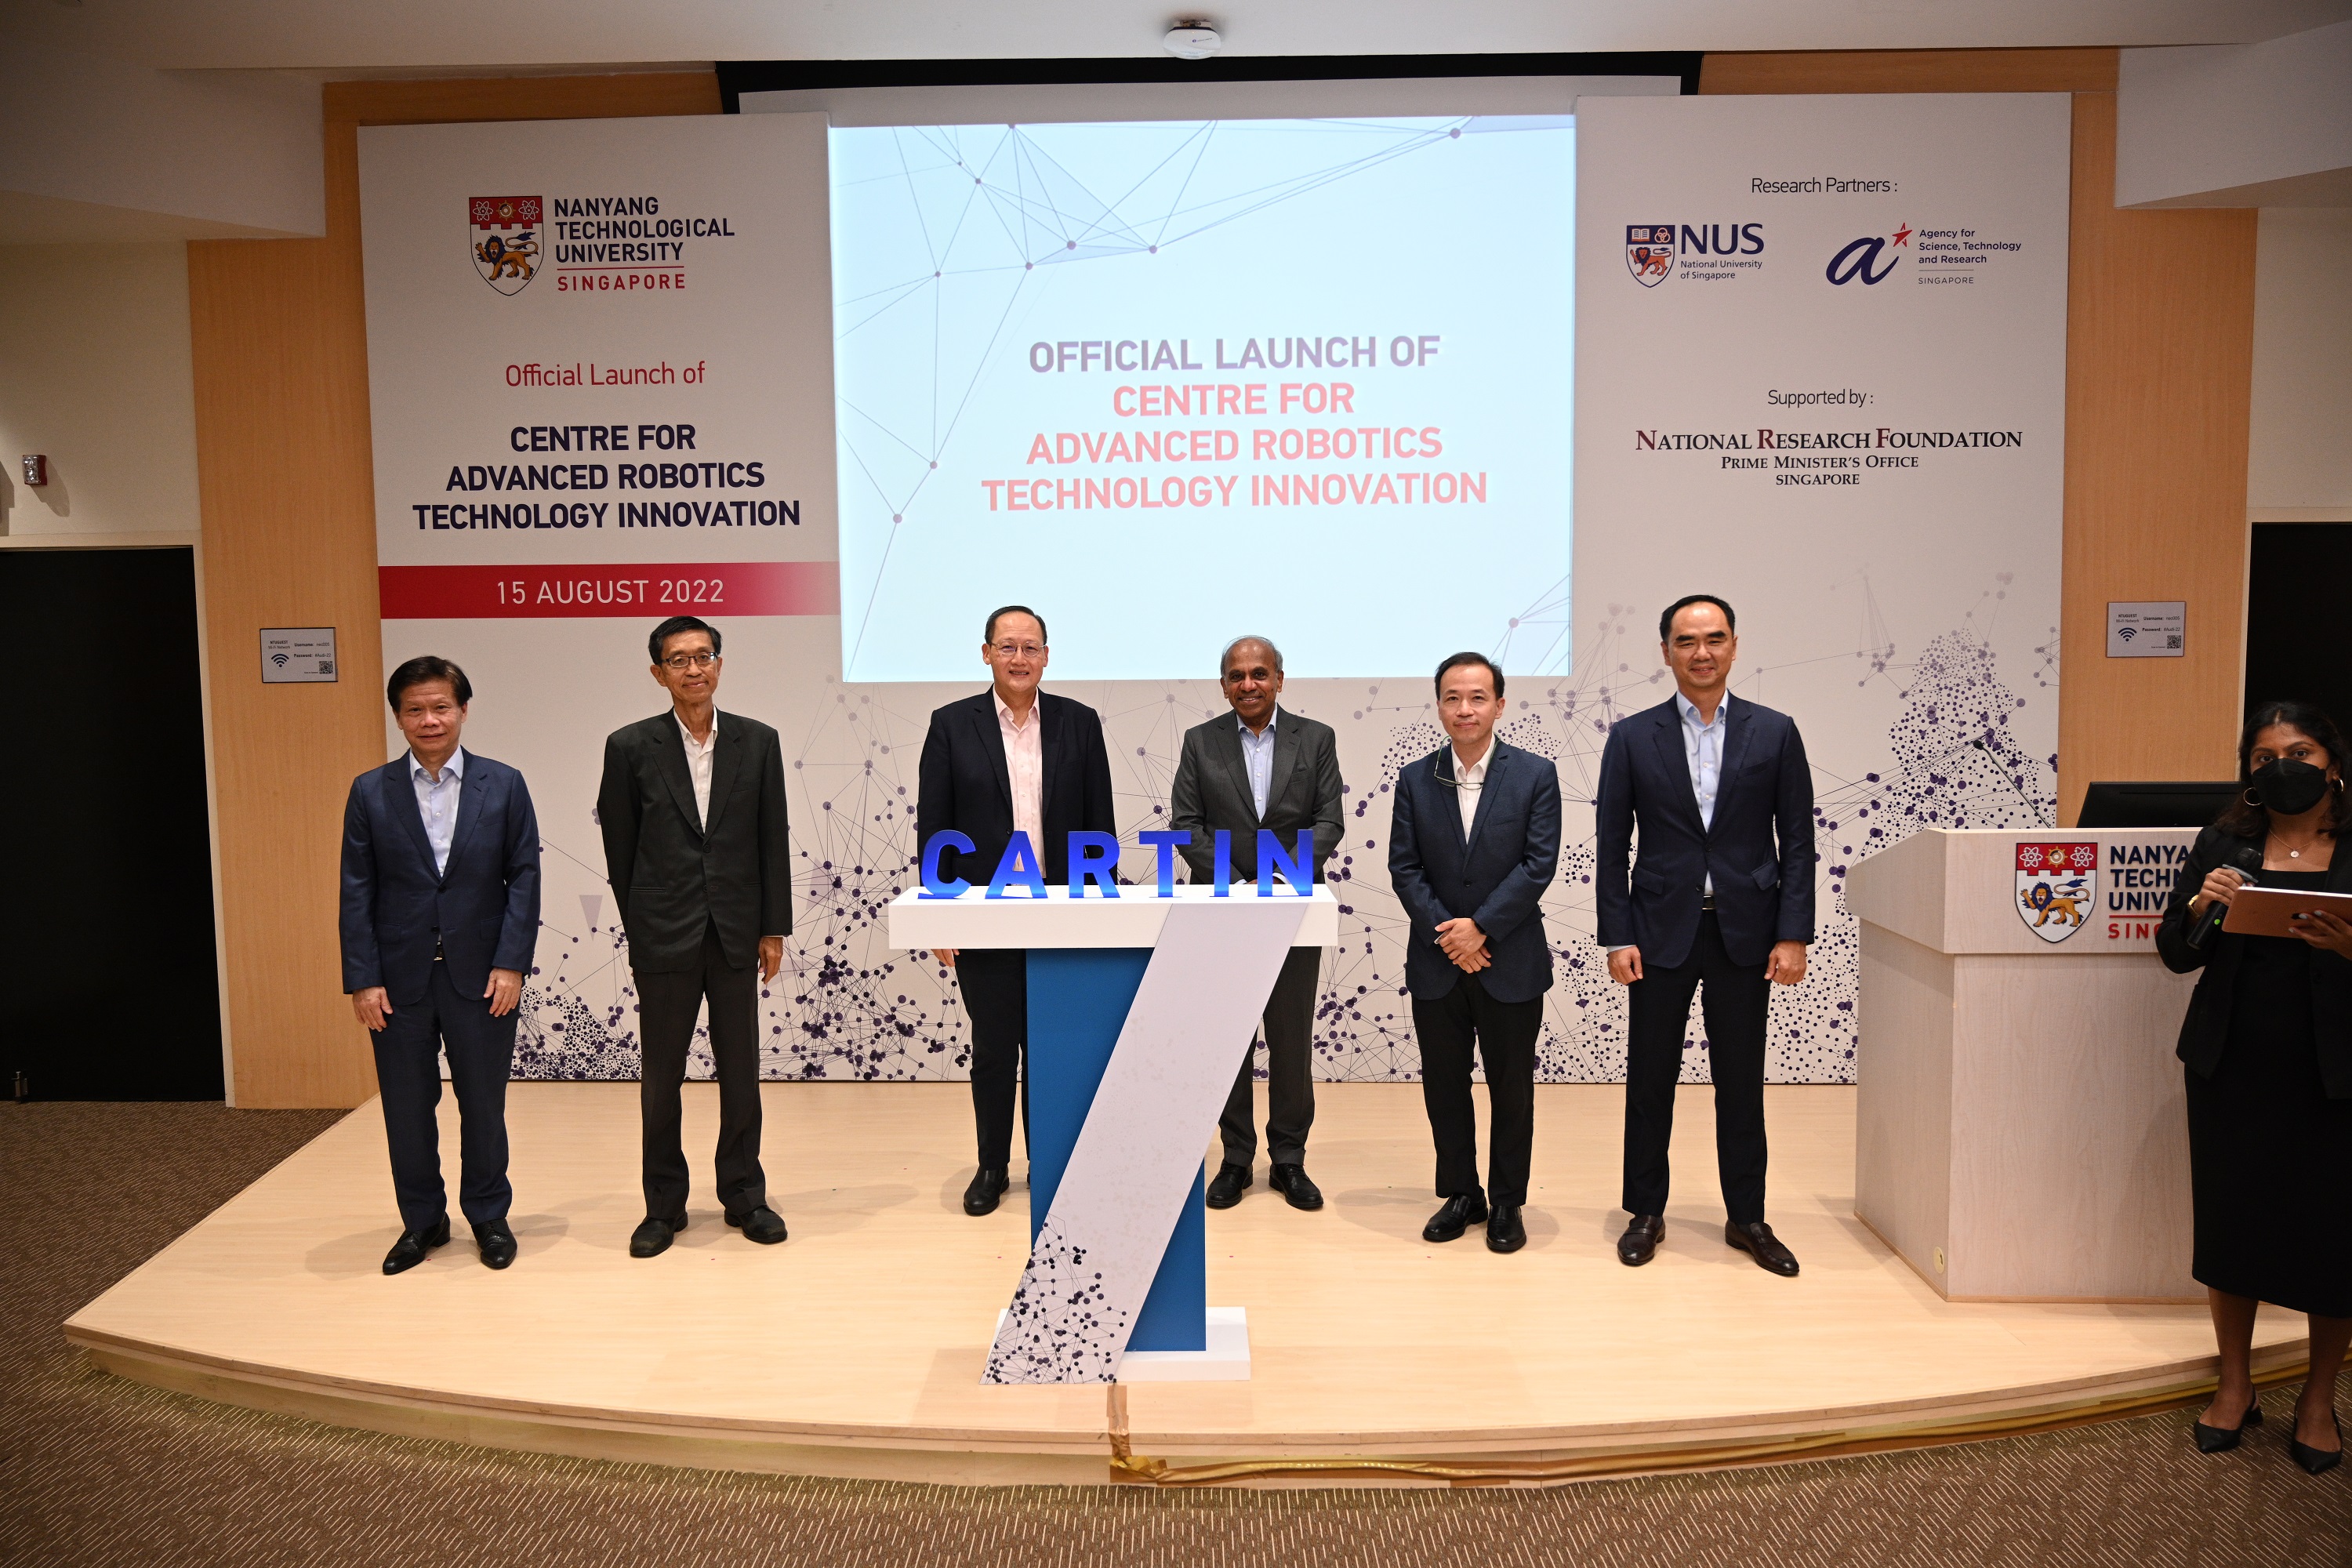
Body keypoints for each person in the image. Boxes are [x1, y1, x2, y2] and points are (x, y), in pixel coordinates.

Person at [2158, 699, 2352, 1474]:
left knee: (2334, 1239)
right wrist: (2204, 906)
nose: (2283, 768)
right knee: (2232, 1228)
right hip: (2232, 1065)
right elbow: (2178, 952)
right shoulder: (2224, 841)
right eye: (2265, 758)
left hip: (2336, 1073)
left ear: (2333, 764)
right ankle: (2235, 1384)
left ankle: (2318, 1397)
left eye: (2299, 753)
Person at [1595, 594, 1815, 1277]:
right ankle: (1645, 1211)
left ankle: (1748, 1217)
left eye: (1714, 638)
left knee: (1741, 1084)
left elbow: (1798, 843)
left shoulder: (1775, 732)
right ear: (1666, 651)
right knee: (1650, 1080)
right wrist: (1616, 935)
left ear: (1734, 647)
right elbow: (1611, 845)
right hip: (1658, 932)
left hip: (1746, 934)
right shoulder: (1633, 737)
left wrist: (1793, 933)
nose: (1702, 652)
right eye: (1686, 641)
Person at [597, 615, 793, 1259]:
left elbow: (771, 838)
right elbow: (621, 849)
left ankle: (744, 1194)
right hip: (664, 935)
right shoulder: (630, 747)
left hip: (737, 932)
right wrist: (641, 929)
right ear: (659, 673)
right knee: (662, 1078)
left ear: (719, 665)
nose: (694, 669)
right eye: (679, 660)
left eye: (704, 656)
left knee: (741, 1073)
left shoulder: (758, 741)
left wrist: (773, 927)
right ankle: (663, 1206)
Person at [339, 656, 541, 1275]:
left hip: (482, 977)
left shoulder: (503, 784)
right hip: (398, 980)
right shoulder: (370, 791)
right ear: (398, 717)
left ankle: (488, 1215)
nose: (429, 720)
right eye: (415, 709)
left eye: (441, 707)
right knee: (406, 1107)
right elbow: (356, 889)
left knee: (483, 1104)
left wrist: (511, 964)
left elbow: (524, 877)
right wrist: (363, 978)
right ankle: (422, 1220)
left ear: (463, 711)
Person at [916, 605, 1116, 1217]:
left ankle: (1049, 1164)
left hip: (1063, 916)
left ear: (1047, 657)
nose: (1019, 658)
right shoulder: (952, 725)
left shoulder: (1079, 723)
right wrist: (941, 914)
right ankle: (992, 1166)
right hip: (987, 915)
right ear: (986, 654)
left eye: (1031, 647)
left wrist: (1102, 912)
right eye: (1007, 646)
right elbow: (935, 827)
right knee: (995, 1050)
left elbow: (1100, 825)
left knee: (1055, 1049)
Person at [1388, 652, 1562, 1254]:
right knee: (1445, 1084)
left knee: (1511, 1087)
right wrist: (1451, 934)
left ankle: (1508, 1200)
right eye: (1453, 698)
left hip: (1509, 958)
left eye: (1478, 697)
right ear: (1440, 707)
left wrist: (1481, 928)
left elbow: (1538, 863)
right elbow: (1405, 867)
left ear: (1500, 705)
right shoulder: (1415, 778)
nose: (1465, 709)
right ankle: (1463, 1194)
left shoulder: (1535, 774)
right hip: (1438, 961)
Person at [1169, 636, 1346, 1212]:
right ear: (1224, 685)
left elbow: (1328, 822)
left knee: (1291, 1042)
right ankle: (1236, 1159)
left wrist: (1275, 880)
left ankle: (1289, 1159)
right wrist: (1238, 883)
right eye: (1237, 675)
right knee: (1227, 1043)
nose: (1249, 684)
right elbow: (1185, 824)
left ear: (1279, 679)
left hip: (1291, 910)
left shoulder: (1316, 738)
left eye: (1259, 674)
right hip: (1220, 910)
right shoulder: (1200, 741)